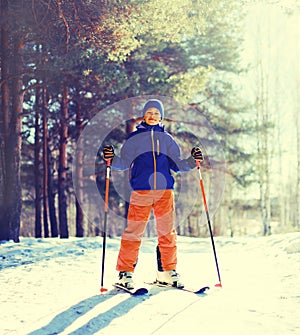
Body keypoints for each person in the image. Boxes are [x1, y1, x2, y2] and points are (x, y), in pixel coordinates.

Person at [102, 99, 203, 289]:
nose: (152, 116)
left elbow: (177, 165)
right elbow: (123, 163)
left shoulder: (167, 139)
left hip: (165, 192)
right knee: (134, 232)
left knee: (167, 233)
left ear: (161, 116)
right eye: (149, 112)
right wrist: (111, 159)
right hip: (141, 190)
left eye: (156, 113)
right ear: (144, 115)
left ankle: (166, 271)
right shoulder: (134, 139)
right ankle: (125, 273)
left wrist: (192, 161)